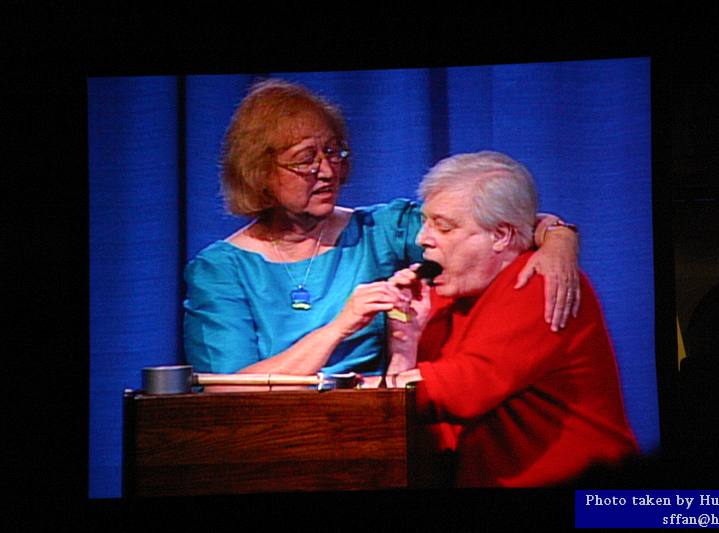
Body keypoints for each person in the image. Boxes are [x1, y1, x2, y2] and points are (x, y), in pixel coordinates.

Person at [183, 80, 581, 378]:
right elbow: (230, 389)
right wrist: (341, 325)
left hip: (377, 429)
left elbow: (496, 229)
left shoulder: (380, 231)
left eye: (334, 152)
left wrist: (558, 238)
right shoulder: (221, 270)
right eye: (306, 159)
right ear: (261, 172)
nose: (327, 170)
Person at [383, 151, 638, 487]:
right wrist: (406, 342)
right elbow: (424, 428)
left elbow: (462, 389)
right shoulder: (444, 295)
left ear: (501, 236)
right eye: (425, 222)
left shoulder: (538, 280)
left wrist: (351, 392)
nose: (422, 239)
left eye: (443, 227)